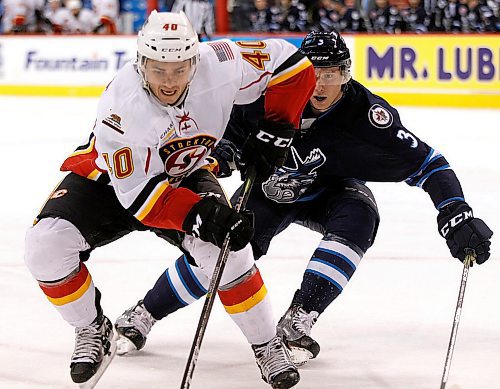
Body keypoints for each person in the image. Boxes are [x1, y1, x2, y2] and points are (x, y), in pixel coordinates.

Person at [114, 29, 493, 372]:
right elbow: (218, 131)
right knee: (223, 248)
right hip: (269, 189)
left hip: (331, 190)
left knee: (361, 216)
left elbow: (429, 163)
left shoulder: (367, 116)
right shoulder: (266, 95)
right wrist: (226, 152)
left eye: (332, 73)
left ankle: (298, 318)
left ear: (346, 75)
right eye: (314, 72)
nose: (320, 83)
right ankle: (144, 313)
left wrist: (456, 211)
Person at [24, 10, 315, 388]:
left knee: (229, 255)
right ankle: (91, 327)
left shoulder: (221, 61)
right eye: (159, 69)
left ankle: (266, 344)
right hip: (112, 182)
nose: (169, 80)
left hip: (185, 173)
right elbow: (143, 200)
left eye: (179, 68)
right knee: (45, 245)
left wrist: (277, 127)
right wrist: (204, 216)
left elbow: (293, 65)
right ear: (141, 62)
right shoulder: (121, 106)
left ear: (195, 59)